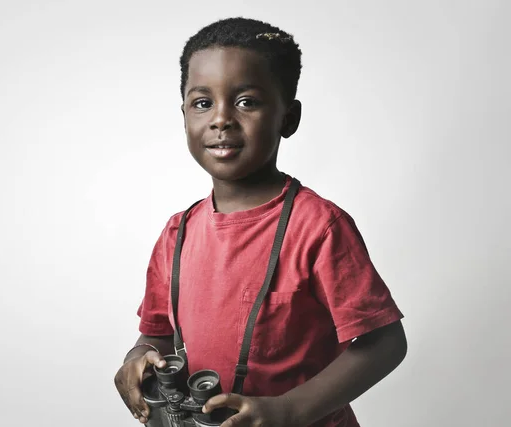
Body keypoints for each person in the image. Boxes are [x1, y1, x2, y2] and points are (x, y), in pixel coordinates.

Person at [114, 17, 407, 427]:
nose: (221, 120)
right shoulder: (176, 234)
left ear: (288, 118)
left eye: (246, 101)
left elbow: (385, 342)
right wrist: (136, 358)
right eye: (203, 103)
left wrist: (288, 409)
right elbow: (157, 334)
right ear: (184, 115)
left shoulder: (319, 227)